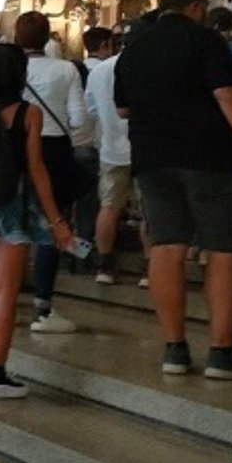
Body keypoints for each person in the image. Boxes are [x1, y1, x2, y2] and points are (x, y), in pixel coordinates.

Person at [115, 0, 232, 380]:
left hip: (152, 158)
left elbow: (122, 109)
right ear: (196, 6)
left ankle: (174, 348)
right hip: (208, 157)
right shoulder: (205, 42)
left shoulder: (134, 48)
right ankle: (221, 352)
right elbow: (228, 96)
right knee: (223, 249)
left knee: (167, 246)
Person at [0, 45, 74, 399]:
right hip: (12, 206)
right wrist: (56, 219)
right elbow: (36, 169)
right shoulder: (27, 114)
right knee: (5, 289)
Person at [16, 12, 86, 334]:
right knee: (52, 224)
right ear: (47, 38)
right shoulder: (65, 69)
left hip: (15, 148)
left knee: (13, 223)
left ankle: (1, 295)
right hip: (54, 150)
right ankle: (43, 305)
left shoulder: (11, 68)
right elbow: (78, 119)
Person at [87, 21, 145, 285]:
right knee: (148, 210)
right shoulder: (146, 68)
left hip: (111, 147)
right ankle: (149, 268)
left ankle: (105, 266)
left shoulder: (100, 71)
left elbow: (90, 108)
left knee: (109, 207)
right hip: (145, 148)